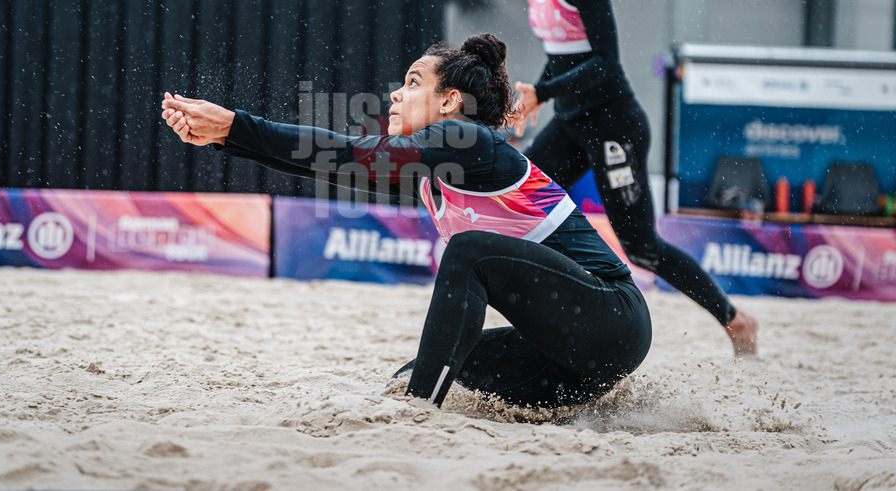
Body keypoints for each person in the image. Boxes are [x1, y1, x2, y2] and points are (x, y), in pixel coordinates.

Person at [161, 33, 651, 410]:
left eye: (413, 82)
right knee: (413, 370)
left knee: (468, 253)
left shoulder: (470, 140)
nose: (395, 94)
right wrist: (223, 138)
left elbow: (350, 152)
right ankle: (425, 395)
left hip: (612, 321)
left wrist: (235, 125)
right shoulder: (433, 171)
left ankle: (418, 413)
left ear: (450, 102)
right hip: (567, 362)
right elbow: (328, 163)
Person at [507, 0, 758, 355]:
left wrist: (543, 91)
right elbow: (561, 55)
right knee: (524, 203)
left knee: (641, 247)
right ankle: (549, 321)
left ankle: (735, 320)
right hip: (570, 120)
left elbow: (605, 62)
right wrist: (536, 98)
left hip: (613, 126)